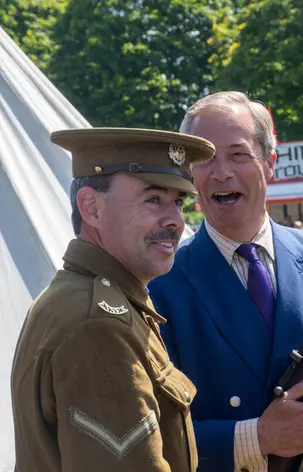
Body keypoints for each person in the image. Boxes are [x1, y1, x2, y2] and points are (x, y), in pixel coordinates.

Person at [150, 92, 303, 472]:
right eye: (205, 159)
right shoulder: (159, 286)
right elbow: (149, 439)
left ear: (270, 164)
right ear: (189, 174)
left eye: (238, 154)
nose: (221, 172)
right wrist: (258, 437)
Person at [11, 127, 215, 472]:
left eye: (178, 202)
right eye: (153, 199)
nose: (176, 220)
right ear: (91, 207)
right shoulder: (98, 324)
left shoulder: (83, 297)